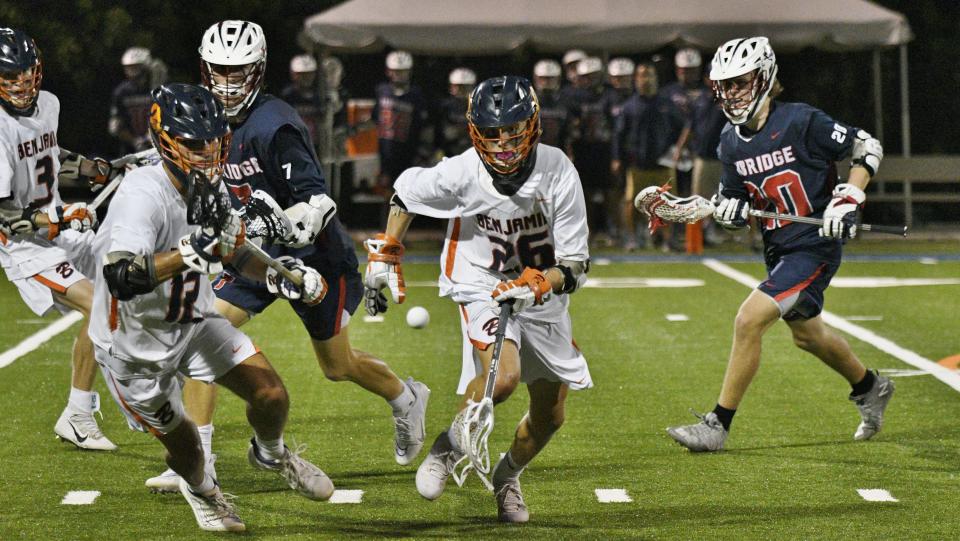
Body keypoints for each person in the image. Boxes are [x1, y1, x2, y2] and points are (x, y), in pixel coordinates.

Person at [144, 20, 429, 492]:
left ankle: (405, 399)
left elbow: (318, 202)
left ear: (258, 71)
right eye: (219, 70)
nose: (227, 82)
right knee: (201, 335)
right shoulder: (205, 116)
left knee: (337, 366)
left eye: (238, 71)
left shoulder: (275, 124)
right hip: (251, 256)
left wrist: (278, 223)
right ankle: (199, 460)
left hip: (314, 258)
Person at [91, 82, 334, 532]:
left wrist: (280, 276)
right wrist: (186, 253)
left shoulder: (210, 183)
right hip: (135, 347)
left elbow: (232, 253)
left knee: (272, 395)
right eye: (193, 142)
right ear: (164, 141)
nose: (206, 152)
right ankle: (202, 490)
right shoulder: (142, 194)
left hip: (194, 321)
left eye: (214, 140)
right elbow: (120, 277)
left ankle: (272, 454)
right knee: (187, 448)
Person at [364, 76, 592, 523]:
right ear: (474, 131)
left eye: (514, 130)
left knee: (551, 414)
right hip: (480, 280)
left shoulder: (558, 169)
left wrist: (538, 286)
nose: (504, 143)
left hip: (540, 293)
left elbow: (576, 264)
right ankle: (447, 448)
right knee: (502, 379)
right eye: (493, 132)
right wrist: (385, 255)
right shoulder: (461, 170)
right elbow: (406, 192)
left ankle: (507, 477)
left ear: (534, 125)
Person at [666, 37, 893, 452]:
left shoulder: (800, 121)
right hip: (779, 250)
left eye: (740, 83)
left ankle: (718, 424)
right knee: (809, 337)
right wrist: (730, 214)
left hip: (814, 246)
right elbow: (738, 207)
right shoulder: (730, 143)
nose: (732, 94)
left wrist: (848, 198)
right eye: (725, 86)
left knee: (748, 319)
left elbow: (867, 146)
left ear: (765, 76)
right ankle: (870, 386)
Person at [0, 27, 117, 451]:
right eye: (9, 76)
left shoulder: (48, 103)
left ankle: (102, 401)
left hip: (62, 229)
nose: (20, 84)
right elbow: (5, 216)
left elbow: (50, 155)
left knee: (123, 277)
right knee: (98, 304)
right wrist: (59, 217)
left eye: (25, 73)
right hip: (26, 246)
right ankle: (79, 413)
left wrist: (91, 168)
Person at [612, 62, 676, 251]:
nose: (646, 80)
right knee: (632, 201)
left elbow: (683, 126)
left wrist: (678, 149)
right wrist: (616, 158)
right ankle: (631, 237)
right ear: (636, 80)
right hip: (637, 163)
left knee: (666, 202)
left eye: (650, 76)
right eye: (642, 76)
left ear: (656, 79)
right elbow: (619, 134)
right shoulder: (629, 106)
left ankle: (666, 239)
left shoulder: (666, 103)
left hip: (662, 162)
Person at [568, 57, 616, 243]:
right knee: (584, 193)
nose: (590, 80)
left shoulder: (609, 96)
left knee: (608, 192)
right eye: (586, 77)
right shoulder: (573, 97)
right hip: (583, 149)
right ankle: (588, 230)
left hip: (604, 148)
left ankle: (609, 229)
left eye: (593, 76)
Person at [372, 50, 431, 197]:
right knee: (386, 194)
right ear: (388, 71)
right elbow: (375, 119)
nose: (399, 75)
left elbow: (424, 127)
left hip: (408, 152)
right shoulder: (382, 91)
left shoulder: (416, 95)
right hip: (386, 151)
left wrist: (423, 152)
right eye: (396, 71)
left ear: (409, 72)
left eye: (402, 72)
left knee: (407, 195)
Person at [108, 47, 154, 156]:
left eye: (136, 68)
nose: (132, 72)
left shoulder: (156, 89)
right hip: (131, 149)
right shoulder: (121, 92)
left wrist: (152, 137)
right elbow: (115, 126)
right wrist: (134, 141)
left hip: (157, 145)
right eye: (129, 68)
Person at [435, 67, 475, 158]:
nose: (461, 91)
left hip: (471, 151)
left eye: (465, 87)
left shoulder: (479, 106)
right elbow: (440, 131)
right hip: (450, 151)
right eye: (458, 87)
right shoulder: (445, 106)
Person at [531, 59, 570, 153]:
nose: (546, 82)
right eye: (542, 78)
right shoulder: (528, 101)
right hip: (534, 152)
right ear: (536, 78)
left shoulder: (566, 101)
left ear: (558, 79)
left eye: (550, 79)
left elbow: (569, 131)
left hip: (558, 150)